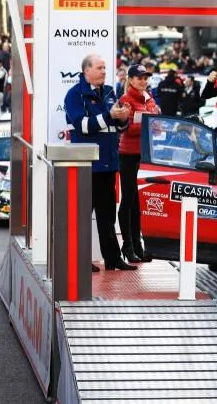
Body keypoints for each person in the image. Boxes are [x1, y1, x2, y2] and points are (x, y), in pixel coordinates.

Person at [64, 54, 135, 272]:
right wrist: (109, 116)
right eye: (100, 68)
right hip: (87, 165)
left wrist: (123, 119)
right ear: (86, 71)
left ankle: (113, 259)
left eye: (105, 68)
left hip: (108, 163)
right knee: (83, 215)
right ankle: (79, 259)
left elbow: (116, 126)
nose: (104, 71)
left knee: (107, 216)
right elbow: (82, 125)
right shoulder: (74, 94)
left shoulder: (110, 92)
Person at [117, 64, 159, 264]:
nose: (143, 81)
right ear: (131, 80)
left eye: (145, 78)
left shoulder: (148, 98)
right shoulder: (126, 99)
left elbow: (156, 127)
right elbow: (127, 128)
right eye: (140, 78)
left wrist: (153, 122)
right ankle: (127, 245)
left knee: (137, 202)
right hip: (128, 155)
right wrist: (149, 122)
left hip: (143, 155)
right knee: (128, 201)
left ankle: (137, 246)